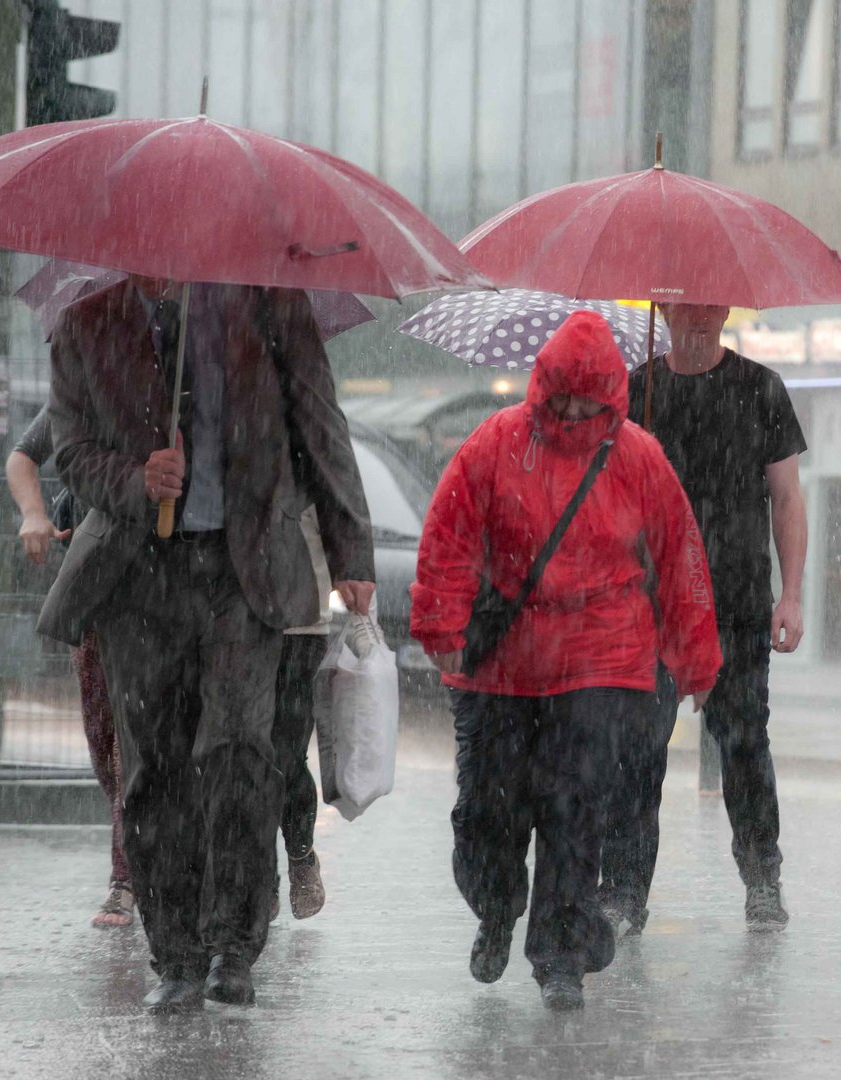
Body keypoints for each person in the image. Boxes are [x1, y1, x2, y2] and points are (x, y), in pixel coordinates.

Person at [39, 279, 375, 1014]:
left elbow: (321, 426)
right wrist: (136, 477)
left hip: (240, 569)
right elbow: (68, 450)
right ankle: (177, 954)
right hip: (138, 574)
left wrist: (352, 553)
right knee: (156, 769)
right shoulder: (88, 323)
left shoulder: (269, 306)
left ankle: (233, 942)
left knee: (239, 752)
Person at [411, 311, 721, 1011]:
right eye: (563, 399)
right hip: (504, 665)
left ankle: (560, 955)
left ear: (610, 398)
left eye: (589, 401)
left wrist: (695, 658)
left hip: (602, 658)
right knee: (488, 810)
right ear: (541, 390)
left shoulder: (638, 457)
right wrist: (439, 622)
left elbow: (680, 557)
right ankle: (496, 908)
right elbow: (451, 532)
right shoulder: (495, 444)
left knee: (575, 806)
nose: (575, 413)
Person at [599, 301, 808, 934]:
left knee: (744, 744)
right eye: (687, 303)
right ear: (665, 307)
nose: (701, 316)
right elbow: (605, 497)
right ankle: (625, 890)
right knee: (637, 751)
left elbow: (787, 497)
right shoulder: (637, 392)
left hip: (735, 604)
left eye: (712, 305)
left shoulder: (759, 388)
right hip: (651, 607)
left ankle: (762, 879)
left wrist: (791, 593)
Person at [5, 409, 132, 930]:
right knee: (103, 740)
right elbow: (22, 458)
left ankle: (125, 879)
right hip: (90, 583)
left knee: (133, 746)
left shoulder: (178, 383)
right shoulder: (81, 388)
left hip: (159, 585)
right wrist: (33, 513)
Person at [271, 507, 334, 920]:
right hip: (237, 618)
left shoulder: (315, 448)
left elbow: (344, 519)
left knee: (285, 755)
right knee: (242, 754)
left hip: (303, 625)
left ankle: (300, 853)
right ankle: (258, 875)